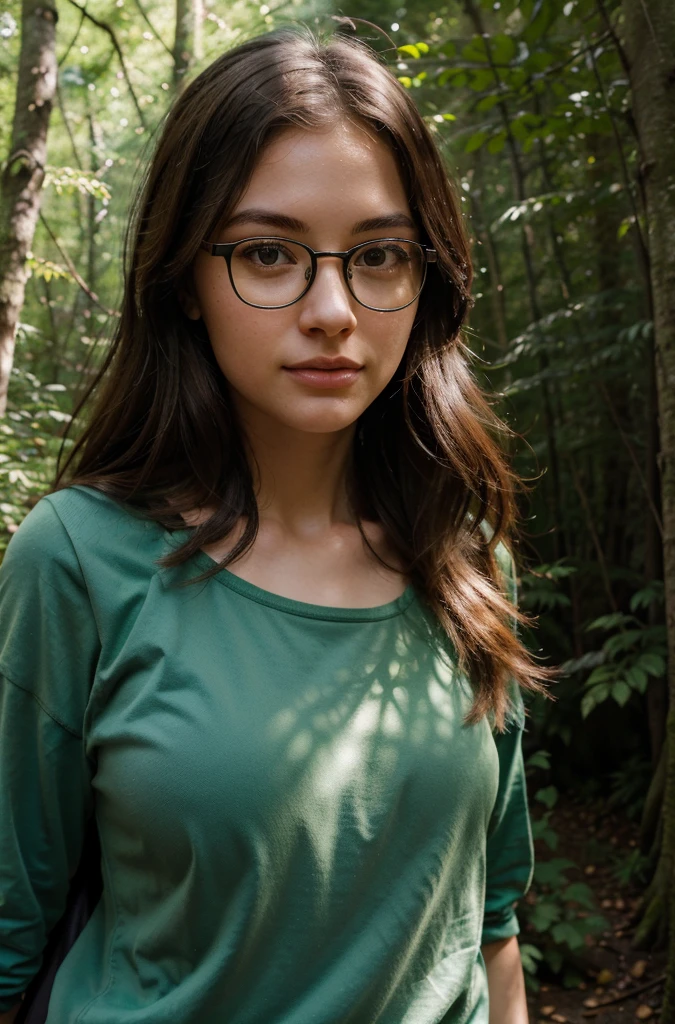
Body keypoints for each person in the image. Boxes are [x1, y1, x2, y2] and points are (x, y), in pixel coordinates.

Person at [0, 24, 552, 1024]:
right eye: (267, 252)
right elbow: (7, 932)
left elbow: (493, 920)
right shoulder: (77, 562)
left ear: (425, 277)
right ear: (183, 283)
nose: (333, 308)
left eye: (378, 255)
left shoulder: (466, 567)